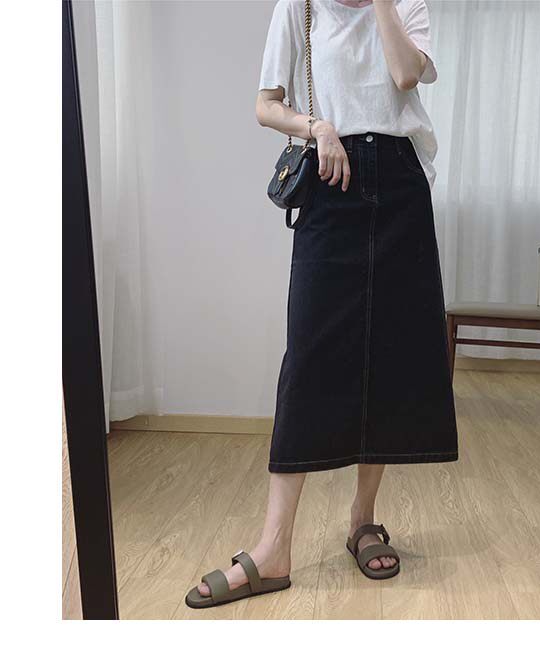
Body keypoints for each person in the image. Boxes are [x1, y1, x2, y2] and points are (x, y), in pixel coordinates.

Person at [186, 0, 457, 610]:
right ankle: (273, 547)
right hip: (331, 179)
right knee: (309, 358)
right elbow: (266, 104)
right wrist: (318, 128)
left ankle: (363, 519)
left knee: (388, 352)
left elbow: (405, 75)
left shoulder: (405, 4)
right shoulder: (299, 6)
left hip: (401, 184)